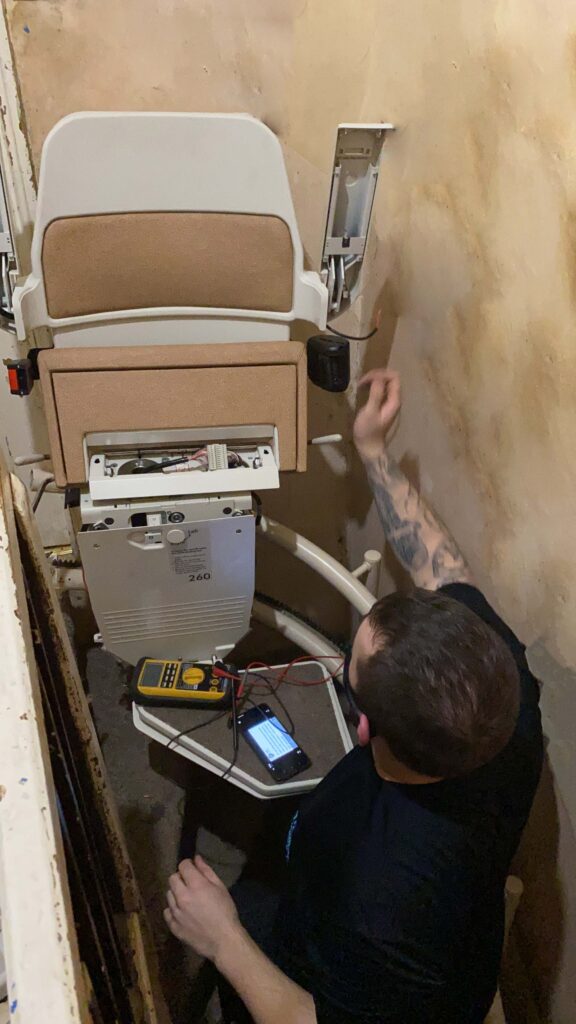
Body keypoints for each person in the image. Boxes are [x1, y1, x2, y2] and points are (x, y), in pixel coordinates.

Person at [164, 368, 543, 1024]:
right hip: (388, 911)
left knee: (241, 910)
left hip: (353, 979)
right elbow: (442, 567)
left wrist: (222, 938)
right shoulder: (499, 686)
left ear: (362, 729)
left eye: (349, 673)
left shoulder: (384, 902)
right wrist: (373, 449)